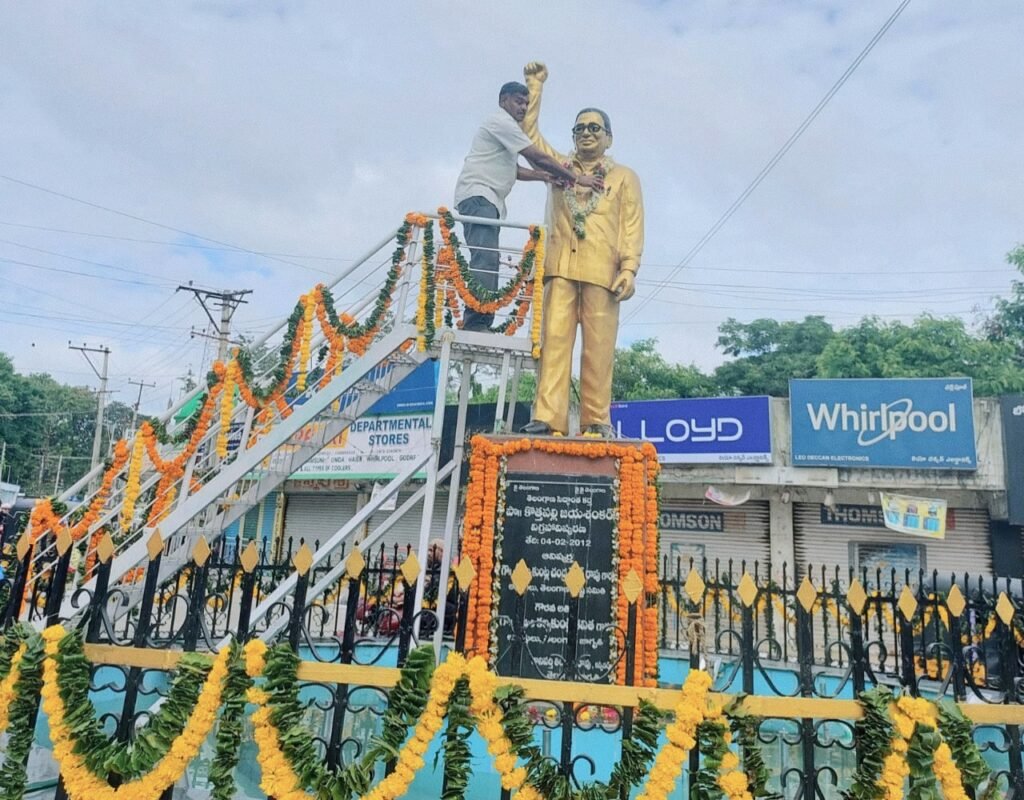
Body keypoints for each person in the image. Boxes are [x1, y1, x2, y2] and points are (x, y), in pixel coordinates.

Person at [519, 61, 644, 438]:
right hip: (559, 269)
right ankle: (548, 419)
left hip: (603, 273)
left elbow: (632, 224)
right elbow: (528, 138)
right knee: (553, 345)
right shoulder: (559, 168)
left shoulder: (625, 177)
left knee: (598, 350)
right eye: (580, 129)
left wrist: (629, 268)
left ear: (609, 138)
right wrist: (535, 87)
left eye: (594, 128)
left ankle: (596, 421)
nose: (586, 133)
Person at [454, 81, 600, 331]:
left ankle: (481, 319)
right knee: (486, 257)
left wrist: (544, 176)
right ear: (503, 101)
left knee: (489, 257)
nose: (523, 108)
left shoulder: (505, 130)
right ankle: (476, 322)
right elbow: (536, 156)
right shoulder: (502, 123)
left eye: (526, 104)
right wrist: (577, 178)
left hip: (488, 199)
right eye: (518, 102)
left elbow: (514, 169)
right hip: (479, 196)